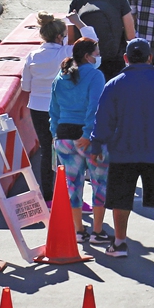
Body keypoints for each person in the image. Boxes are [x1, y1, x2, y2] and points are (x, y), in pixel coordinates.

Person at [92, 38, 154, 258]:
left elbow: (103, 119)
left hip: (122, 152)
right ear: (150, 58)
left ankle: (119, 243)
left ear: (126, 58)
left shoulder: (115, 84)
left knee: (121, 199)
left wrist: (97, 144)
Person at [26, 13, 94, 203]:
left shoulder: (32, 55)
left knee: (47, 150)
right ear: (59, 37)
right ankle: (71, 197)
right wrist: (79, 22)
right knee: (68, 152)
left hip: (37, 108)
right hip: (61, 108)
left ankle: (48, 197)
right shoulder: (65, 53)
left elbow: (25, 86)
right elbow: (93, 42)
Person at [49, 37, 110, 244]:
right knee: (98, 183)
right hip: (88, 138)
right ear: (87, 56)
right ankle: (97, 231)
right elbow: (95, 108)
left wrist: (55, 134)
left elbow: (53, 110)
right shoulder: (96, 76)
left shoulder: (60, 77)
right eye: (96, 52)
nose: (98, 55)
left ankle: (78, 230)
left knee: (73, 186)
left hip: (64, 137)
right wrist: (87, 134)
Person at [70, 0, 135, 82]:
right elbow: (130, 35)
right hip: (113, 62)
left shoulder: (78, 0)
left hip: (85, 61)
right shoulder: (119, 0)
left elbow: (71, 35)